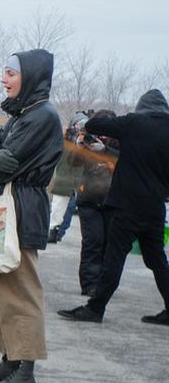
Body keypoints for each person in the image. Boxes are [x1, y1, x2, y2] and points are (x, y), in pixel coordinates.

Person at [0, 50, 63, 383]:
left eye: (11, 73)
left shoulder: (42, 116)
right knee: (0, 288)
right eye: (5, 72)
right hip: (5, 206)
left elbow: (6, 160)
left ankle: (25, 369)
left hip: (22, 208)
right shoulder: (21, 114)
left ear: (32, 77)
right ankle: (10, 358)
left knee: (21, 290)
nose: (4, 79)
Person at [57, 89, 169, 325]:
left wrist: (84, 120)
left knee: (113, 257)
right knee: (157, 260)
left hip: (127, 205)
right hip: (155, 208)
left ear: (142, 108)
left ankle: (95, 308)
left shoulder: (135, 122)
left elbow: (97, 124)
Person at [64, 111, 117, 294]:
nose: (102, 136)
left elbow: (125, 163)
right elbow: (72, 163)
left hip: (112, 202)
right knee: (93, 242)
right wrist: (78, 146)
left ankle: (103, 285)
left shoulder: (120, 142)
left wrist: (105, 150)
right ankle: (89, 285)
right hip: (89, 200)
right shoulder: (88, 139)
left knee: (108, 244)